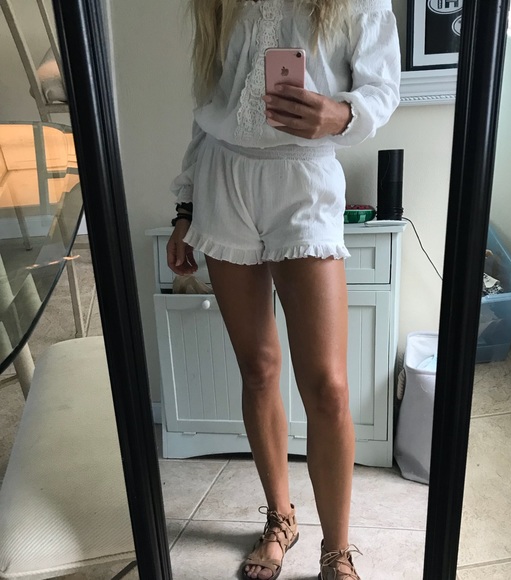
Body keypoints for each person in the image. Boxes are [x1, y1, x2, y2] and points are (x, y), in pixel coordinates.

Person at [166, 1, 400, 578]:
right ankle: (281, 518)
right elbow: (207, 108)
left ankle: (336, 550)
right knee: (258, 368)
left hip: (306, 177)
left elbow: (383, 87)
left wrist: (339, 115)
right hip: (223, 180)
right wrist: (185, 208)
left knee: (328, 387)